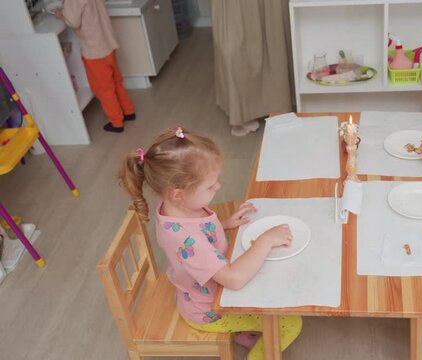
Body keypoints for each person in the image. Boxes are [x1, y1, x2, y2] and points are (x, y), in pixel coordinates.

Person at [118, 127, 302, 359]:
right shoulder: (188, 238)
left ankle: (242, 332)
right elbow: (233, 279)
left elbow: (196, 238)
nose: (218, 187)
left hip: (199, 292)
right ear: (178, 193)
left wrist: (223, 224)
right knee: (289, 322)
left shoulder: (175, 209)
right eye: (210, 185)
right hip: (211, 309)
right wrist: (265, 240)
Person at [54, 0, 135, 133]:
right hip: (108, 44)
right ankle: (128, 111)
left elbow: (72, 22)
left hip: (94, 51)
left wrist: (60, 14)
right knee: (116, 81)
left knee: (104, 89)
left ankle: (116, 122)